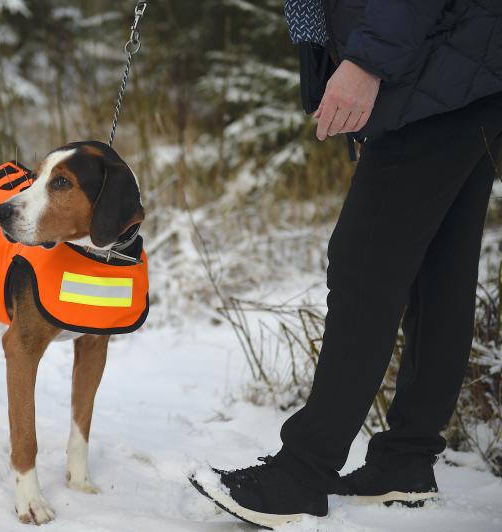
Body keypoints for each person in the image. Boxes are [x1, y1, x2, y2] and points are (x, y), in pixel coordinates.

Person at [189, 0, 502, 528]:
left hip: (434, 62)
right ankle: (404, 465)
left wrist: (367, 63)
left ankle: (302, 474)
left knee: (365, 266)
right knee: (438, 270)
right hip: (466, 62)